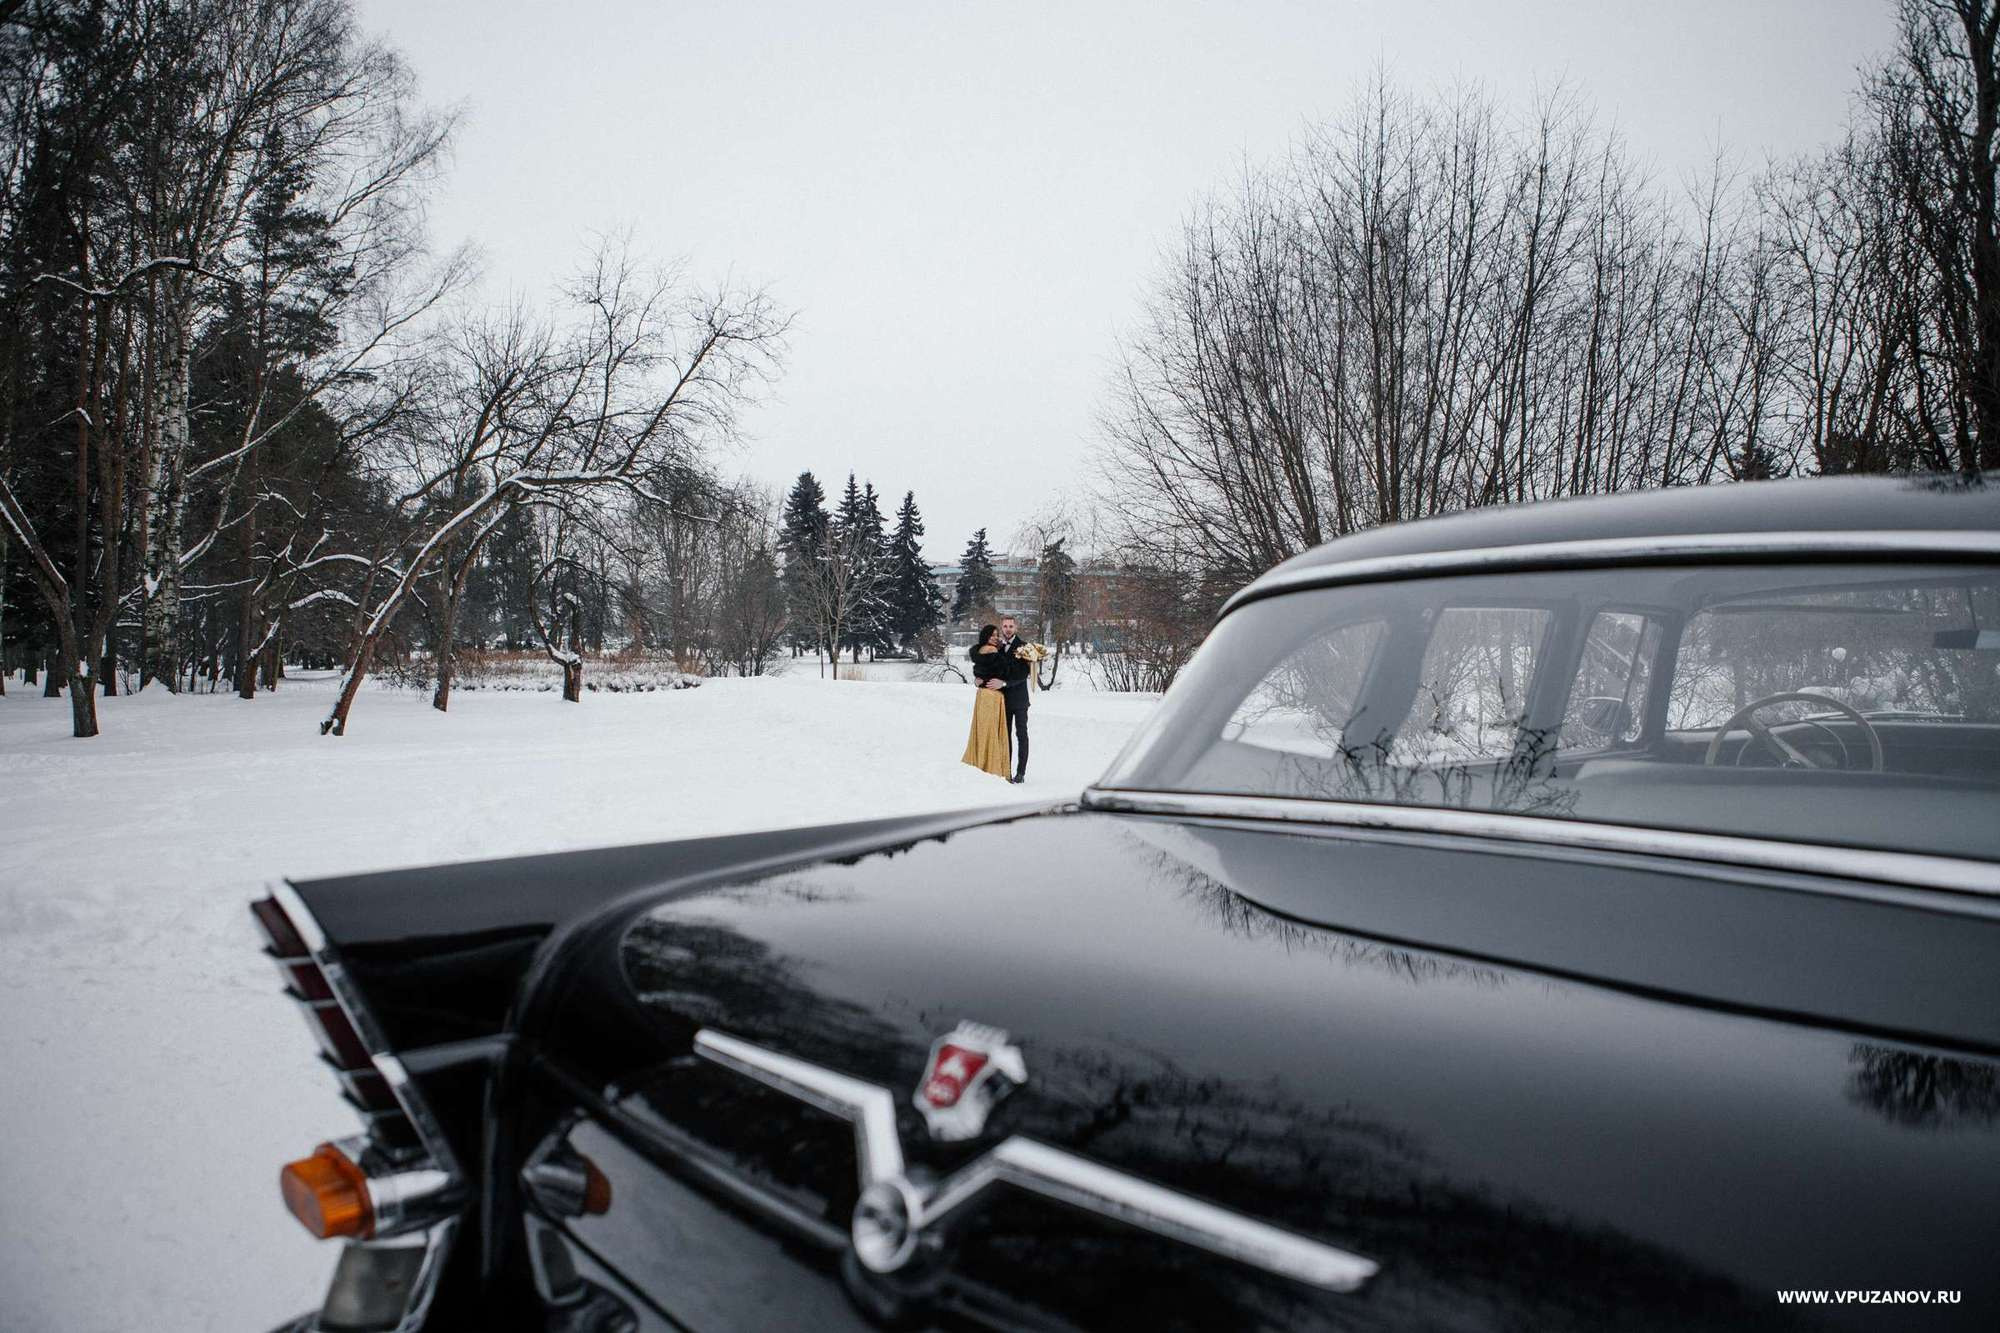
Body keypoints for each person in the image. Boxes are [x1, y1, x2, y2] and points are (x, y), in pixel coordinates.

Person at [983, 615, 1031, 783]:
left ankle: (1021, 773)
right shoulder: (998, 647)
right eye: (1005, 626)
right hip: (1002, 701)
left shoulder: (1024, 647)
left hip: (1019, 701)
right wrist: (981, 679)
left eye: (1011, 626)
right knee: (1005, 736)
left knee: (1021, 735)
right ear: (1001, 628)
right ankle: (1006, 771)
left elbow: (1023, 674)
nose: (1008, 629)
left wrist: (1003, 683)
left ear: (1015, 627)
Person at [961, 624, 1011, 779]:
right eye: (992, 635)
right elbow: (1005, 670)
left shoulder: (979, 651)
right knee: (991, 731)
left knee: (982, 729)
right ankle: (992, 766)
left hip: (982, 694)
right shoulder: (993, 651)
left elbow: (979, 673)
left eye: (997, 634)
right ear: (985, 636)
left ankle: (980, 762)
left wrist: (979, 681)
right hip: (993, 696)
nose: (995, 637)